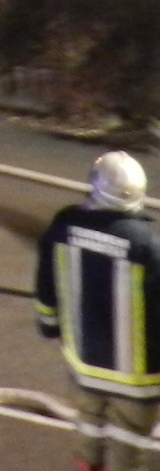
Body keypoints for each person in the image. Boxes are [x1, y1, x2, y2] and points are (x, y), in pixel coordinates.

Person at [36, 151, 160, 471]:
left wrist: (49, 325)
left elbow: (46, 286)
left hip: (86, 366)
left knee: (89, 432)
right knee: (128, 445)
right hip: (138, 379)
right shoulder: (146, 244)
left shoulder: (63, 228)